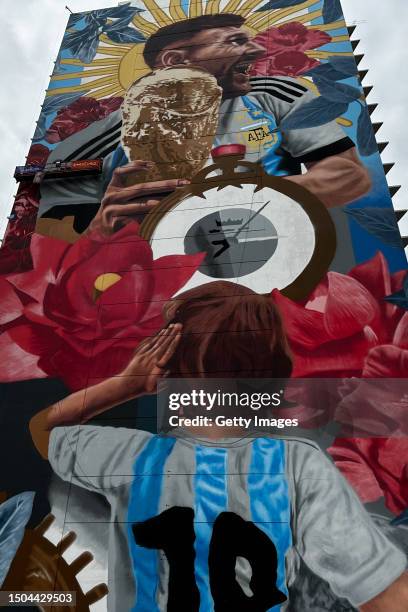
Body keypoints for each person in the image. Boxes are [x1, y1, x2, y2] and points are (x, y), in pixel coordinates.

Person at [29, 281, 408, 611]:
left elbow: (43, 429)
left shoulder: (126, 454)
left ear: (169, 371)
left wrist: (126, 384)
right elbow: (382, 591)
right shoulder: (297, 464)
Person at [39, 14, 371, 239]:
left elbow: (348, 175)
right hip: (148, 286)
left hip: (275, 255)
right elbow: (44, 213)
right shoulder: (111, 129)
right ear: (175, 61)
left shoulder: (273, 93)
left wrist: (227, 197)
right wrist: (99, 226)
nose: (255, 50)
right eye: (235, 41)